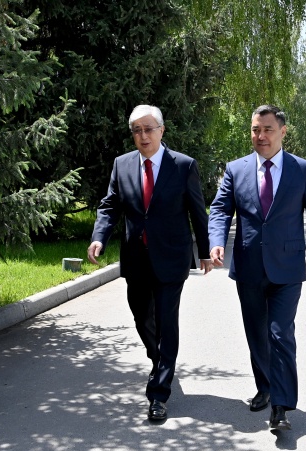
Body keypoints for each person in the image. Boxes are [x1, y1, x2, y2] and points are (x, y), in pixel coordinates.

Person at [208, 105, 306, 431]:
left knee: (280, 334)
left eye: (267, 129)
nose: (261, 136)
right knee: (257, 334)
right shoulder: (235, 170)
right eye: (255, 130)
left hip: (287, 269)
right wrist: (216, 242)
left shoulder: (302, 170)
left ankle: (281, 406)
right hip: (249, 267)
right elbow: (220, 209)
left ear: (282, 131)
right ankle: (265, 387)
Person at [88, 104, 213, 422]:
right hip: (136, 258)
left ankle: (158, 393)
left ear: (161, 130)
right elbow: (110, 205)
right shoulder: (122, 164)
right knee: (142, 318)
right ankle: (160, 362)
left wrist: (205, 251)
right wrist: (100, 237)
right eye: (137, 131)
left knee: (167, 323)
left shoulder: (183, 165)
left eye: (148, 129)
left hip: (171, 257)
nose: (143, 136)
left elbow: (197, 210)